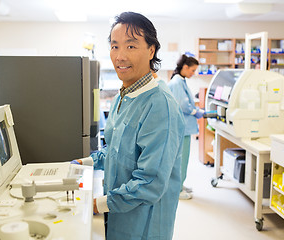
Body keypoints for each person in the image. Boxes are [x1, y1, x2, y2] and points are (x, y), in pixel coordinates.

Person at [73, 12, 185, 240]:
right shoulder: (123, 96)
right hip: (119, 213)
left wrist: (97, 204)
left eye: (131, 46)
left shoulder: (160, 105)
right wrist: (81, 164)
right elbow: (114, 152)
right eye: (114, 47)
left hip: (145, 223)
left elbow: (150, 183)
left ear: (151, 50)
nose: (120, 56)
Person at [168, 54, 204, 200]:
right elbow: (183, 105)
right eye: (192, 70)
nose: (193, 73)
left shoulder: (180, 80)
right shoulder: (177, 82)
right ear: (185, 67)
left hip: (183, 128)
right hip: (180, 128)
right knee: (180, 160)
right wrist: (196, 111)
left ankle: (180, 185)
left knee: (183, 158)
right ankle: (176, 190)